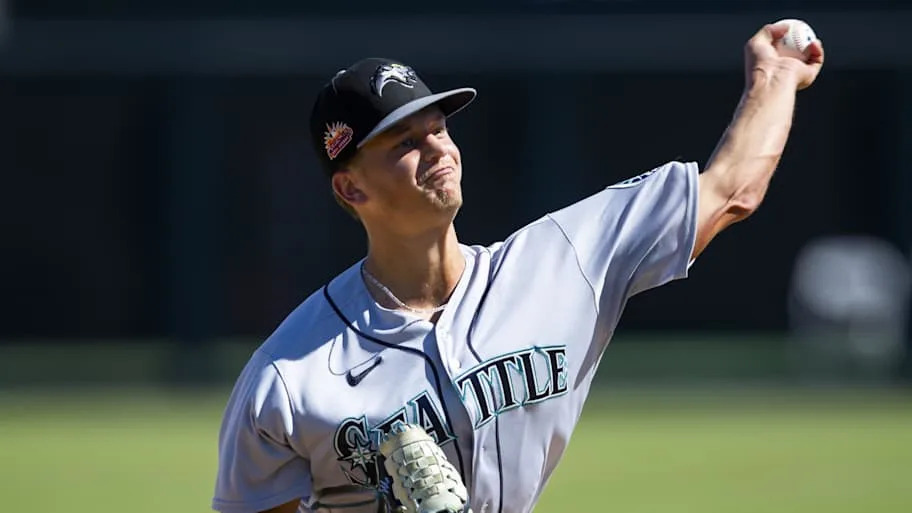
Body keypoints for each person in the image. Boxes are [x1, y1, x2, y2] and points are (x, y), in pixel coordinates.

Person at [212, 21, 824, 513]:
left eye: (438, 127)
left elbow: (730, 191)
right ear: (350, 190)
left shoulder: (563, 262)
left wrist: (773, 77)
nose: (437, 149)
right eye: (405, 143)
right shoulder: (286, 381)